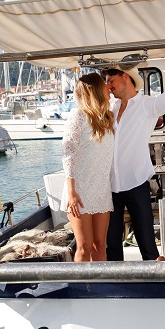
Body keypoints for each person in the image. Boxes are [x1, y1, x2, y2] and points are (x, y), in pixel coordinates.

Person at [103, 34, 165, 261]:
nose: (108, 86)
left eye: (111, 80)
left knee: (147, 242)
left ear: (125, 77)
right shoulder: (109, 108)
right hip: (109, 185)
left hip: (136, 182)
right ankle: (117, 290)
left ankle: (152, 286)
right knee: (111, 244)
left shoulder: (146, 106)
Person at [60, 73, 115, 262]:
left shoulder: (107, 118)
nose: (109, 87)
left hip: (101, 189)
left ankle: (100, 288)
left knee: (100, 245)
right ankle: (81, 289)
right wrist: (71, 192)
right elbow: (68, 154)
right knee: (84, 246)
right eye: (105, 84)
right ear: (95, 90)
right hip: (80, 191)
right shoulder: (78, 115)